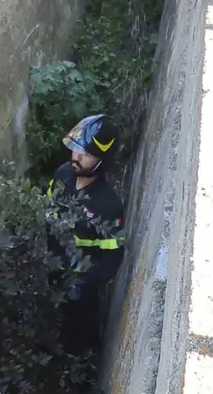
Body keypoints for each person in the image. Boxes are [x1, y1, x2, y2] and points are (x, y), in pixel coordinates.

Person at [40, 114, 125, 355]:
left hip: (78, 292)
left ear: (102, 160)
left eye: (85, 153)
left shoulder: (107, 206)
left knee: (77, 340)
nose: (75, 156)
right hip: (46, 270)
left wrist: (84, 282)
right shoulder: (62, 174)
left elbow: (112, 257)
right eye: (75, 149)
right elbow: (44, 211)